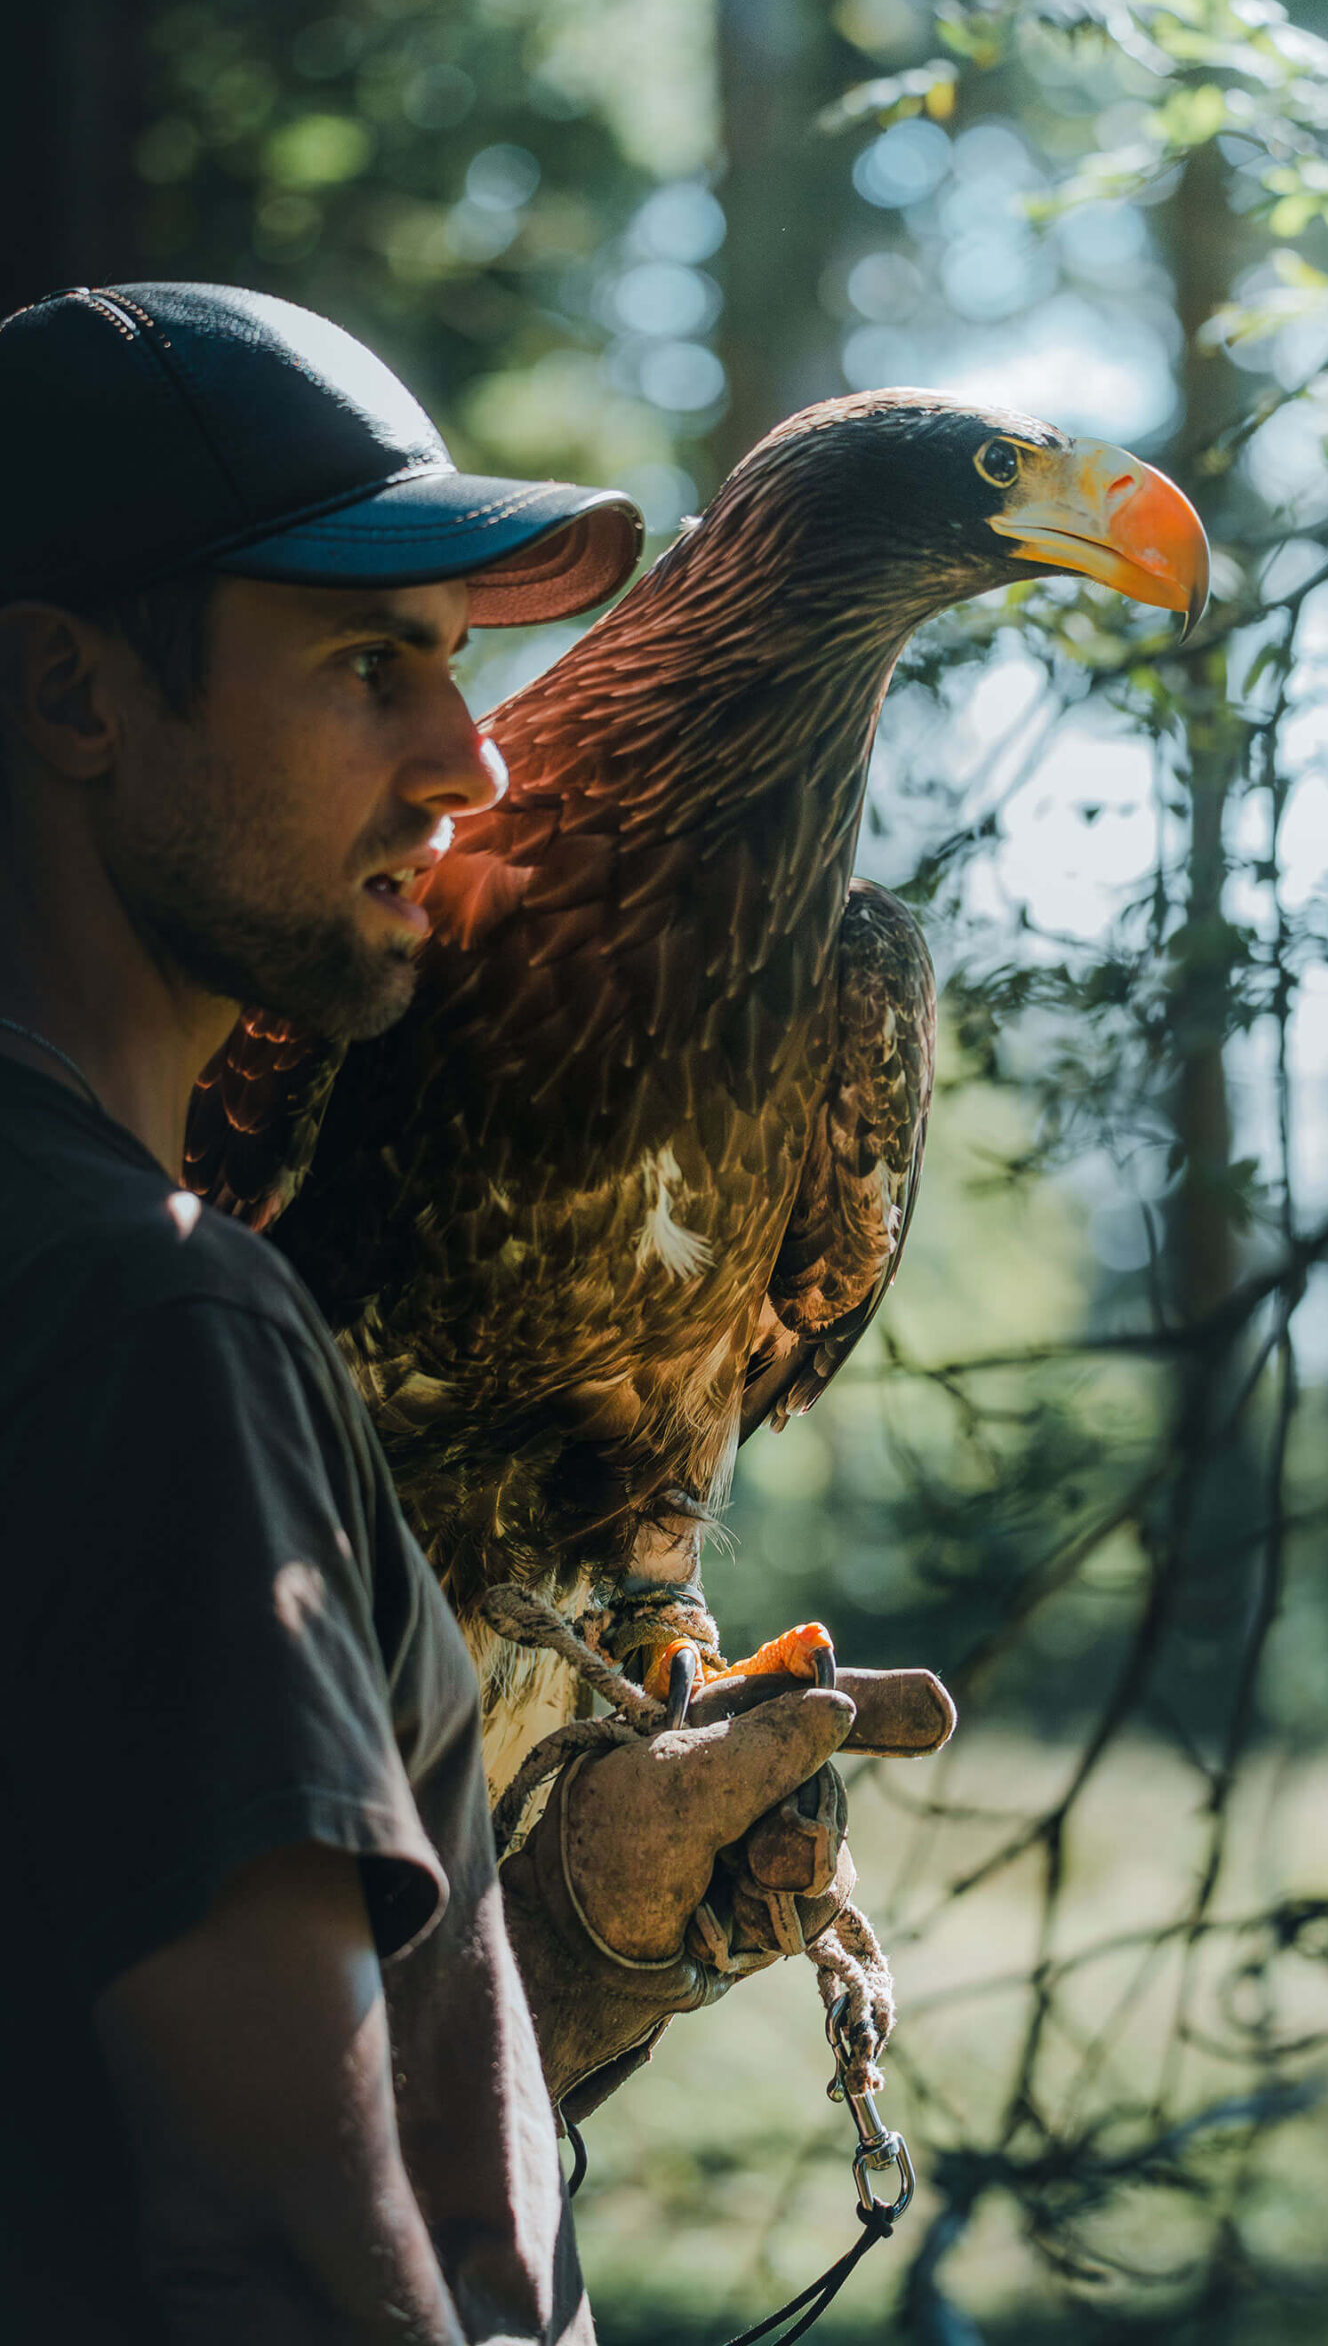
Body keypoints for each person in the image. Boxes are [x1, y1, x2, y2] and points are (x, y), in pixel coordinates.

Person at [0, 282, 870, 2344]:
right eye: (365, 666)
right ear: (70, 692)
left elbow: (107, 2110)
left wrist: (565, 1929)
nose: (470, 758)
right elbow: (274, 2249)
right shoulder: (159, 1314)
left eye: (462, 667)